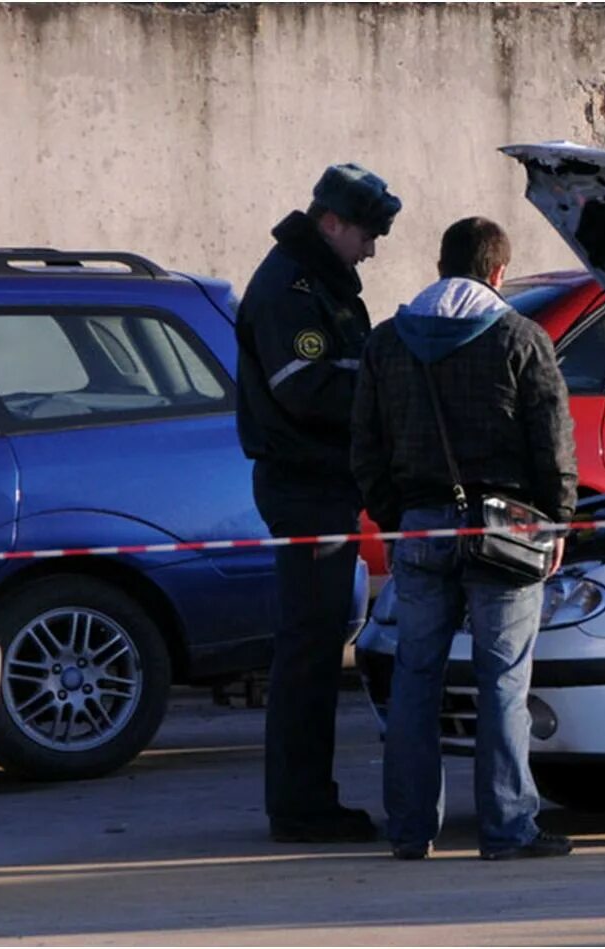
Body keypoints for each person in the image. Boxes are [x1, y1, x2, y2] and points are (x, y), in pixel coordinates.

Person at [351, 216, 579, 861]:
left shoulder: (387, 342)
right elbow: (553, 441)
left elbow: (365, 447)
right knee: (502, 679)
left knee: (415, 678)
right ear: (499, 272)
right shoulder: (521, 337)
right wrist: (555, 518)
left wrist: (396, 517)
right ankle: (507, 828)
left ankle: (411, 829)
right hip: (505, 534)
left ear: (439, 262)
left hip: (420, 527)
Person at [235, 163, 401, 843]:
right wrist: (385, 393)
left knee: (314, 641)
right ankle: (302, 806)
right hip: (304, 488)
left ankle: (308, 798)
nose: (370, 249)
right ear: (331, 222)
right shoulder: (290, 288)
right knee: (308, 650)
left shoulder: (314, 281)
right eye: (366, 234)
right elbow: (306, 388)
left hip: (322, 485)